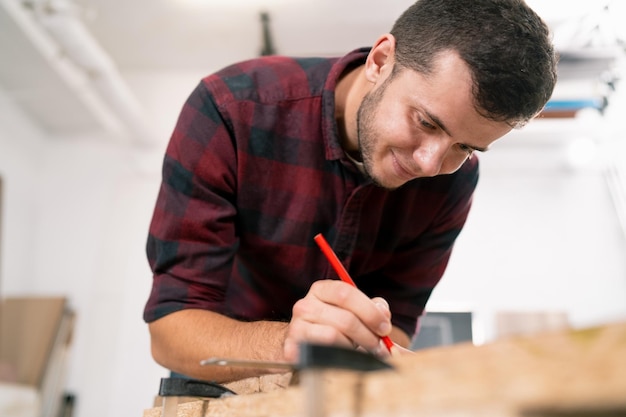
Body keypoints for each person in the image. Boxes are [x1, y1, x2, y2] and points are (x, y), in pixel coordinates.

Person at [144, 0, 557, 383]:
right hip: (221, 384)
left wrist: (376, 346)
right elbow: (171, 328)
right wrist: (289, 345)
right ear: (380, 61)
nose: (430, 164)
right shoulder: (230, 109)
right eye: (427, 123)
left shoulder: (456, 179)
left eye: (465, 147)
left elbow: (398, 319)